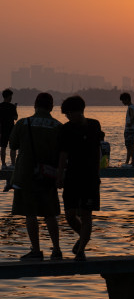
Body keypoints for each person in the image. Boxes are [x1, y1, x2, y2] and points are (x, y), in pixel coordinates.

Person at [9, 92, 62, 261]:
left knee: (30, 213)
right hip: (48, 175)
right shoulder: (58, 126)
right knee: (50, 213)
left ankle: (36, 251)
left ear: (34, 105)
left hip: (26, 174)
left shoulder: (23, 123)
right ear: (51, 107)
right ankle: (57, 249)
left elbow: (14, 144)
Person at [57, 95, 102, 261]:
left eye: (69, 113)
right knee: (69, 214)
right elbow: (63, 154)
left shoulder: (94, 125)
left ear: (79, 111)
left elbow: (98, 150)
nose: (68, 117)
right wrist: (60, 175)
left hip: (89, 176)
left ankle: (81, 249)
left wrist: (97, 172)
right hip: (72, 176)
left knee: (86, 214)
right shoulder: (66, 129)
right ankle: (84, 237)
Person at [0, 88, 18, 169]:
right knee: (12, 147)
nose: (11, 98)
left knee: (3, 147)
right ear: (8, 96)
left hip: (2, 129)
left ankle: (3, 164)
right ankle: (13, 164)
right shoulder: (12, 106)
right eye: (11, 96)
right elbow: (15, 117)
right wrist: (15, 108)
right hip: (11, 129)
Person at [119, 92, 134, 166]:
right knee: (131, 146)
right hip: (132, 129)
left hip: (129, 129)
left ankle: (128, 162)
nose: (123, 102)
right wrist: (133, 124)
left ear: (127, 99)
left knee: (129, 146)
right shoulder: (133, 106)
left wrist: (130, 124)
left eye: (123, 101)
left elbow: (133, 117)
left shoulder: (130, 107)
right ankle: (131, 161)